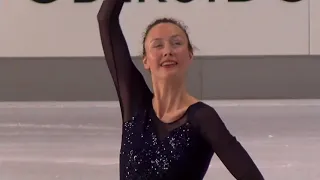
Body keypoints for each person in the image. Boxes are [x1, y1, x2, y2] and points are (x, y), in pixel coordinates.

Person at [97, 0, 265, 179]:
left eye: (176, 43)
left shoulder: (202, 118)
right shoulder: (135, 104)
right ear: (145, 60)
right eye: (158, 45)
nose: (168, 51)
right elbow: (106, 19)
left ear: (190, 54)